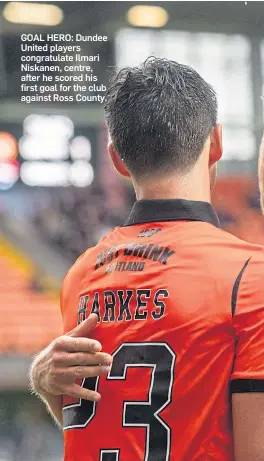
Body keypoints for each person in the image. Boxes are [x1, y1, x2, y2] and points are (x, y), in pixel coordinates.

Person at [30, 57, 264, 461]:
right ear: (217, 144)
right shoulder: (250, 276)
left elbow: (96, 419)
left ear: (117, 159)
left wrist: (43, 382)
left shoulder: (82, 273)